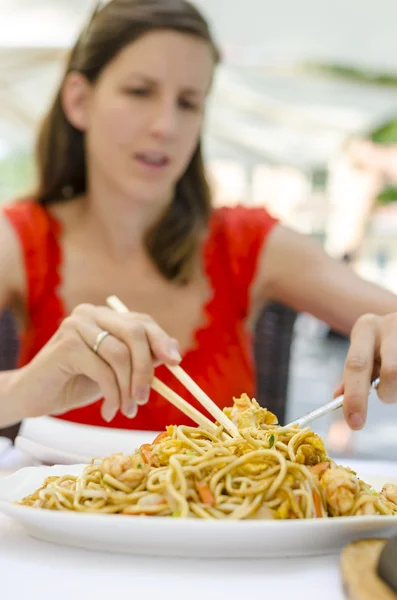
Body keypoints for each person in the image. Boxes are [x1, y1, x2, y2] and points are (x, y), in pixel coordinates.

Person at [1, 0, 397, 434]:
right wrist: (24, 388)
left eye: (188, 103)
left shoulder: (247, 242)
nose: (166, 126)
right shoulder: (21, 239)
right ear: (79, 101)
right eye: (139, 91)